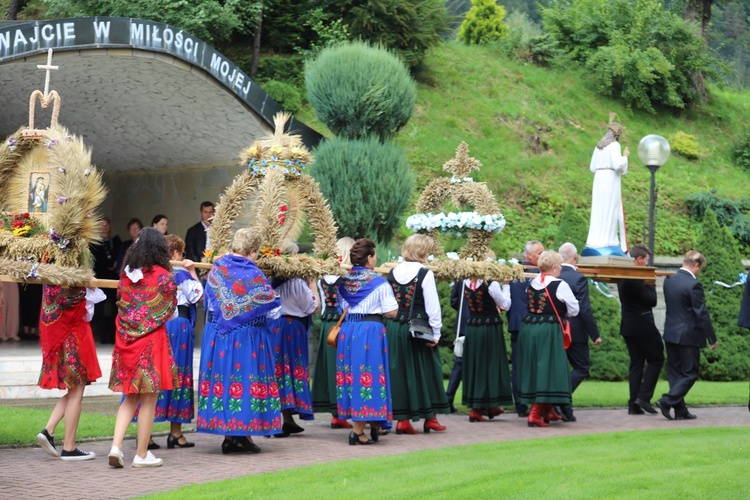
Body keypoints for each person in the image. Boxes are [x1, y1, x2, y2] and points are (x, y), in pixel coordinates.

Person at [197, 228, 283, 453]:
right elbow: (273, 309)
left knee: (225, 381)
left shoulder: (217, 269)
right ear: (253, 251)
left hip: (218, 336)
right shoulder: (254, 274)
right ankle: (243, 435)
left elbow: (208, 304)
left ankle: (229, 435)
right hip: (247, 338)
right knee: (245, 381)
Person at [107, 227, 178, 468]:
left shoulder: (126, 275)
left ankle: (116, 446)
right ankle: (141, 453)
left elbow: (121, 303)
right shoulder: (165, 277)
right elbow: (169, 311)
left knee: (130, 397)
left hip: (126, 341)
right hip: (151, 343)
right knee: (148, 400)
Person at [336, 238, 398, 445]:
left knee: (353, 376)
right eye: (374, 256)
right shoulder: (379, 282)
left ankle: (375, 424)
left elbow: (340, 307)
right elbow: (391, 311)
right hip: (370, 331)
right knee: (369, 377)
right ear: (370, 258)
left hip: (348, 331)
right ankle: (358, 430)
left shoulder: (343, 281)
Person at [386, 234, 449, 434]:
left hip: (395, 328)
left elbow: (388, 303)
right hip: (418, 329)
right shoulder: (425, 273)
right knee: (426, 371)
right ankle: (430, 418)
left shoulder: (392, 272)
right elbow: (433, 307)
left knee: (400, 372)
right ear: (422, 252)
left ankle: (403, 420)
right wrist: (436, 332)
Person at [36, 285, 106, 460]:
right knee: (76, 392)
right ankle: (69, 447)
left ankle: (48, 430)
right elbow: (87, 309)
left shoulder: (50, 280)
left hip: (58, 335)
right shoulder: (74, 284)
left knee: (73, 391)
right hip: (75, 334)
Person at [518, 250, 580, 428]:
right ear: (553, 268)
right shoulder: (559, 284)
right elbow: (574, 309)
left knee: (534, 368)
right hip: (549, 330)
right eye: (559, 266)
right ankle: (535, 412)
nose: (560, 269)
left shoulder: (531, 283)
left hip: (529, 328)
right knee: (548, 368)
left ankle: (546, 409)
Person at [152, 235, 203, 448]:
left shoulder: (154, 272)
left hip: (159, 325)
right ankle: (175, 432)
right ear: (175, 254)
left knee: (156, 375)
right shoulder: (181, 274)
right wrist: (192, 272)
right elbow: (199, 295)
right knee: (179, 376)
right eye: (180, 253)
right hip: (178, 326)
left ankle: (145, 435)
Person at [655, 251, 718, 420]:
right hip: (688, 335)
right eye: (700, 268)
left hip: (670, 333)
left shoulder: (669, 281)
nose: (699, 272)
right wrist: (711, 337)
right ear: (696, 265)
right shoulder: (693, 285)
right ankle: (666, 401)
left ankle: (681, 410)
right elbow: (701, 313)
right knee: (690, 372)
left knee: (675, 373)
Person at [268, 242, 320, 437]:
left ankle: (286, 419)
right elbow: (313, 307)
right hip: (293, 328)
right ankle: (283, 419)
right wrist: (313, 284)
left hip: (275, 327)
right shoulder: (297, 282)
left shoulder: (270, 281)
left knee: (280, 370)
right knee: (290, 369)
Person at [460, 255, 513, 423]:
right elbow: (505, 305)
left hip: (473, 327)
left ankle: (487, 405)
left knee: (476, 364)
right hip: (490, 328)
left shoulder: (466, 282)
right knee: (491, 364)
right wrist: (506, 286)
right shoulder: (492, 284)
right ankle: (479, 408)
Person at [311, 237, 355, 429]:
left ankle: (335, 413)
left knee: (330, 369)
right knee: (345, 368)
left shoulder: (322, 276)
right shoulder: (348, 277)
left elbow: (319, 303)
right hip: (343, 326)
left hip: (327, 327)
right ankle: (343, 412)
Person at [617, 245, 664, 415]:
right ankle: (643, 397)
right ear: (639, 259)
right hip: (642, 325)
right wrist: (651, 281)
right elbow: (651, 300)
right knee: (657, 358)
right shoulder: (636, 278)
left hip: (628, 326)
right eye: (646, 260)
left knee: (636, 364)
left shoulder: (622, 276)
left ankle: (633, 405)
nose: (647, 263)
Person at [558, 242, 601, 422]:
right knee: (581, 368)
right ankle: (561, 398)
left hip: (553, 328)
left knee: (559, 369)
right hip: (574, 330)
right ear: (575, 257)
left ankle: (565, 410)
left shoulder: (551, 275)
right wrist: (595, 334)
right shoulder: (578, 278)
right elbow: (584, 309)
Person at [506, 240, 544, 417]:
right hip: (532, 323)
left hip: (516, 323)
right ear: (529, 256)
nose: (542, 256)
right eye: (539, 253)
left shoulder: (513, 271)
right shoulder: (539, 273)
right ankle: (536, 402)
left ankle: (520, 405)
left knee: (518, 366)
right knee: (536, 364)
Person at [585, 120, 630, 253]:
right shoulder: (615, 145)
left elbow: (592, 167)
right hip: (610, 179)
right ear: (617, 134)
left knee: (599, 209)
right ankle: (607, 240)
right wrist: (625, 157)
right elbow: (618, 165)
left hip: (598, 180)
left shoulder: (599, 146)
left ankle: (595, 239)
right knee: (610, 209)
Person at [91, 217, 122, 344]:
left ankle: (113, 335)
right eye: (102, 224)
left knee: (115, 306)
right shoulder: (95, 242)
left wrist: (116, 263)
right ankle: (102, 336)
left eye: (106, 224)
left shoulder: (116, 240)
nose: (104, 227)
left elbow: (120, 255)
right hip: (100, 277)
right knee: (100, 307)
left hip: (114, 277)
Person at [445, 279, 469, 414]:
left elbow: (454, 300)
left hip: (462, 324)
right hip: (476, 322)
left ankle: (448, 398)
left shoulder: (461, 280)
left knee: (459, 363)